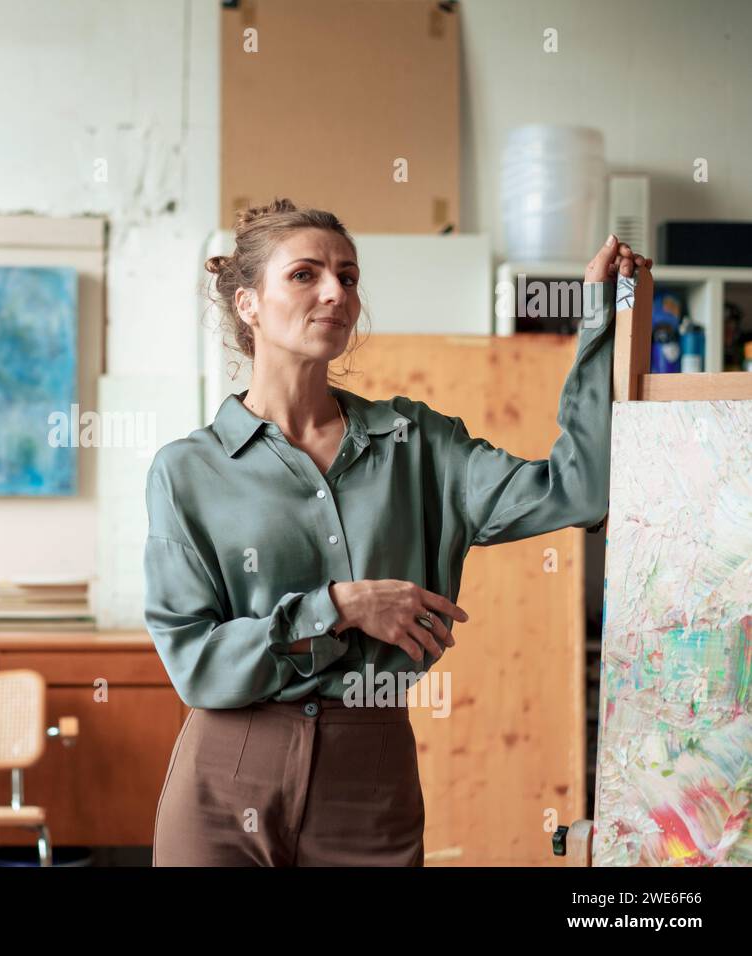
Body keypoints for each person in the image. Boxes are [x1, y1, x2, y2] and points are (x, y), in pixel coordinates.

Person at [144, 198, 651, 866]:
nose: (336, 292)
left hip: (368, 777)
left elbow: (580, 490)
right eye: (305, 275)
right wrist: (341, 607)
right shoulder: (188, 471)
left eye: (348, 277)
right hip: (227, 771)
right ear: (249, 304)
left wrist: (598, 320)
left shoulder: (419, 446)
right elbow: (196, 665)